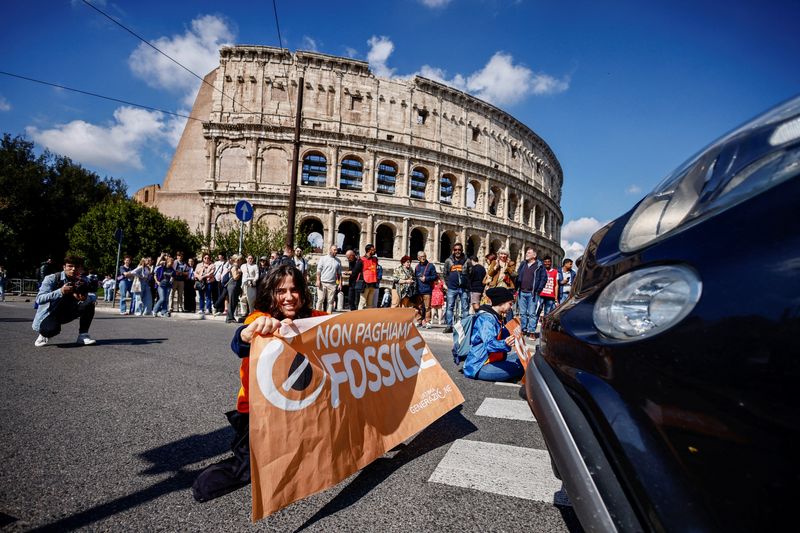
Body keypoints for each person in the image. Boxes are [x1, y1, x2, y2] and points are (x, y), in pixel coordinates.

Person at [191, 264, 327, 502]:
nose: (288, 297)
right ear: (269, 294)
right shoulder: (260, 319)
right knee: (253, 467)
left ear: (303, 294)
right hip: (261, 414)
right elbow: (241, 342)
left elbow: (346, 329)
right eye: (280, 291)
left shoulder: (313, 318)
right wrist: (248, 333)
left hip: (306, 411)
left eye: (294, 290)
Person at [32, 255, 97, 347]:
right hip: (51, 313)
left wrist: (85, 297)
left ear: (80, 268)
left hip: (70, 311)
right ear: (64, 267)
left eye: (77, 267)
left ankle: (83, 335)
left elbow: (94, 295)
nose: (73, 269)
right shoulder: (52, 278)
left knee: (90, 304)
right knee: (50, 330)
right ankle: (43, 334)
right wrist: (61, 291)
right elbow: (39, 299)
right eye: (70, 266)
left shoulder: (83, 280)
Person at [463, 287, 523, 382]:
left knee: (520, 357)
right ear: (501, 302)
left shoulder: (497, 317)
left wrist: (515, 333)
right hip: (480, 365)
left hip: (493, 360)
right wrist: (505, 344)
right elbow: (489, 345)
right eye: (510, 304)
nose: (511, 307)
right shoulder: (487, 319)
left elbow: (504, 336)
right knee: (520, 366)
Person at [442, 243, 470, 333]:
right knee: (450, 307)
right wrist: (448, 283)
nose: (457, 251)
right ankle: (449, 326)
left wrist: (467, 283)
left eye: (459, 249)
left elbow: (471, 273)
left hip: (464, 288)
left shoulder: (467, 261)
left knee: (465, 308)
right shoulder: (448, 261)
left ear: (462, 250)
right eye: (456, 250)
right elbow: (445, 273)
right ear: (453, 251)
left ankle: (464, 326)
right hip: (452, 288)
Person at [483, 248, 517, 320]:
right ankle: (496, 320)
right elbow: (490, 273)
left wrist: (507, 267)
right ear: (498, 254)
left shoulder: (511, 263)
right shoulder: (494, 262)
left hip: (507, 286)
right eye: (501, 254)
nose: (503, 256)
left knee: (508, 306)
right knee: (496, 305)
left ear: (507, 255)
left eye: (505, 254)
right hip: (496, 286)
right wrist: (496, 267)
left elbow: (514, 274)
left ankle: (508, 324)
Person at [515, 248, 543, 337]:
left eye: (529, 253)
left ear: (534, 255)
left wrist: (539, 289)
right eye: (526, 252)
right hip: (522, 291)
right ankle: (523, 329)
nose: (526, 254)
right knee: (522, 313)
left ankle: (532, 331)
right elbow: (518, 275)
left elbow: (543, 278)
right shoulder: (523, 264)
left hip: (532, 293)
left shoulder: (539, 265)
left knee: (532, 313)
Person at [532, 256, 559, 336]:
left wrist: (556, 297)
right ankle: (532, 331)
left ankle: (544, 332)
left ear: (551, 262)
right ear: (543, 262)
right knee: (537, 313)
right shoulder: (541, 271)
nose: (547, 263)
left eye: (548, 261)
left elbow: (556, 285)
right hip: (541, 294)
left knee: (547, 315)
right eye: (545, 261)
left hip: (550, 296)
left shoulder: (555, 272)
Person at [393, 255, 423, 324]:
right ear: (403, 262)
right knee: (395, 304)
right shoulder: (398, 268)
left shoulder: (410, 269)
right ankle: (393, 319)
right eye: (407, 262)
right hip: (397, 288)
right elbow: (395, 279)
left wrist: (412, 280)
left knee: (404, 305)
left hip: (406, 290)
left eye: (410, 262)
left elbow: (413, 277)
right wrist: (406, 281)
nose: (409, 263)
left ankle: (402, 320)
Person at [316, 245, 342, 312]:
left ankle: (328, 315)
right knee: (320, 299)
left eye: (336, 250)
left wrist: (339, 284)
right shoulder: (323, 258)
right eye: (334, 250)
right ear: (330, 250)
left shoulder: (338, 261)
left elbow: (339, 274)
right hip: (322, 282)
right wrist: (318, 280)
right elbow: (319, 270)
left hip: (332, 284)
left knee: (330, 301)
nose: (336, 251)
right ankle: (317, 315)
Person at [414, 251, 437, 327]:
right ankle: (419, 320)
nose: (423, 258)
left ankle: (427, 321)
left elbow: (435, 277)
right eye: (421, 257)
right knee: (419, 307)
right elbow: (416, 278)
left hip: (427, 290)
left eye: (424, 256)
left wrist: (426, 278)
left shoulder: (430, 266)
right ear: (418, 258)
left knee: (427, 307)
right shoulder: (417, 267)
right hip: (419, 290)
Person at [358, 244, 379, 309]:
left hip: (373, 283)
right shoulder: (361, 259)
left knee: (370, 303)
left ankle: (368, 318)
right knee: (362, 301)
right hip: (365, 283)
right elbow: (357, 271)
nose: (375, 251)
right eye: (373, 250)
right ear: (369, 250)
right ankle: (359, 317)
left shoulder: (375, 259)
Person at [224, 255, 243, 323]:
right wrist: (240, 272)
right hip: (233, 286)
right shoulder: (234, 267)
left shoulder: (237, 267)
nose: (241, 261)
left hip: (236, 286)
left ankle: (230, 317)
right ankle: (229, 318)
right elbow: (235, 277)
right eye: (240, 259)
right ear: (236, 260)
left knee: (234, 302)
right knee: (231, 302)